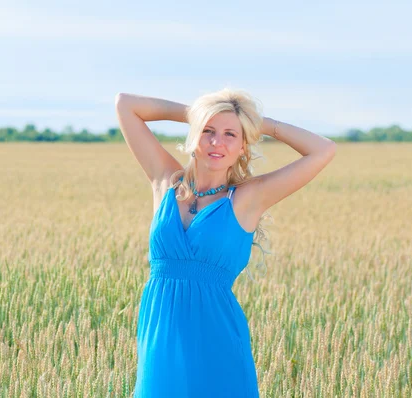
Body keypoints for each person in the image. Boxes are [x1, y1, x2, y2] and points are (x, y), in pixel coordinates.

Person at [114, 88, 336, 397]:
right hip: (160, 337)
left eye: (231, 134)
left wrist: (260, 123)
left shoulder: (248, 198)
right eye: (208, 131)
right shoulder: (165, 181)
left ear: (244, 146)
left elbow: (323, 149)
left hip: (217, 340)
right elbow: (126, 105)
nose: (217, 142)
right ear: (194, 135)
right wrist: (201, 113)